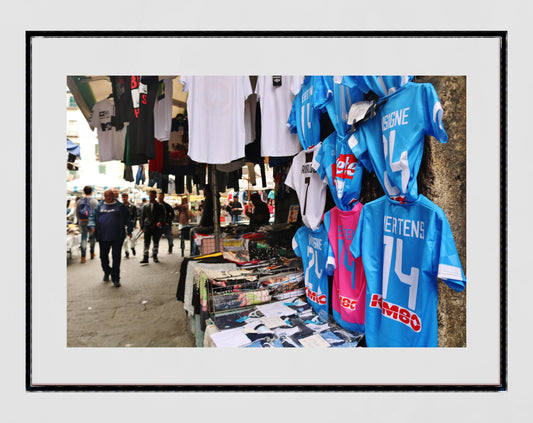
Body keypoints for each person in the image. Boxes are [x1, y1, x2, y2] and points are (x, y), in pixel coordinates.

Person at [88, 189, 133, 287]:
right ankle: (107, 271)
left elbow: (128, 218)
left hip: (117, 236)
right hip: (103, 236)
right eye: (106, 196)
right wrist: (92, 225)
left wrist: (129, 231)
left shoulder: (120, 206)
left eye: (110, 195)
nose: (108, 197)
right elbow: (92, 217)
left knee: (116, 257)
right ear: (104, 196)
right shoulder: (99, 206)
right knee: (103, 257)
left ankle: (115, 278)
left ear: (113, 196)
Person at [140, 188, 165, 264]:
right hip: (147, 226)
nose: (151, 196)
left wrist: (160, 222)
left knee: (156, 242)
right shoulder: (145, 206)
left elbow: (163, 215)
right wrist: (142, 227)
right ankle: (145, 257)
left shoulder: (160, 206)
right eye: (150, 195)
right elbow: (142, 217)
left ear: (155, 196)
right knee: (146, 242)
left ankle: (155, 256)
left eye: (152, 195)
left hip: (156, 227)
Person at [77, 186, 99, 263]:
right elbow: (97, 213)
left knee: (83, 238)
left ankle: (83, 257)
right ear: (91, 191)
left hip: (82, 222)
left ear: (84, 191)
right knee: (92, 238)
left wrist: (80, 220)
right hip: (91, 223)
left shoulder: (79, 201)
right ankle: (92, 253)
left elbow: (77, 213)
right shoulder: (95, 201)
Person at [121, 192, 138, 258]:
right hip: (122, 225)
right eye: (122, 197)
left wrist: (134, 224)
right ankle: (126, 252)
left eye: (125, 197)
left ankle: (132, 247)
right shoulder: (120, 206)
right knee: (124, 240)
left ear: (127, 197)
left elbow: (135, 216)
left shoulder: (132, 206)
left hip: (130, 225)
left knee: (133, 238)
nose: (123, 198)